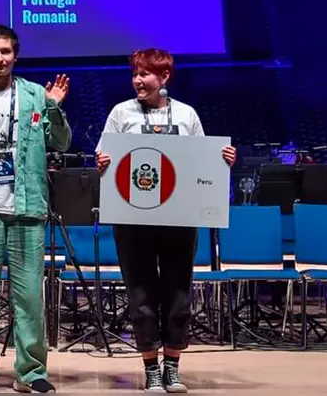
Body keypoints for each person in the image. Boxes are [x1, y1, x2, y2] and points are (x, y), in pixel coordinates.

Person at [95, 48, 236, 393]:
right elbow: (104, 157)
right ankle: (150, 368)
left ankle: (172, 366)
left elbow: (203, 160)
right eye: (135, 74)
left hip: (179, 218)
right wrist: (101, 162)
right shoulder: (120, 113)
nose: (137, 81)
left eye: (144, 74)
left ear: (165, 77)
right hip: (132, 219)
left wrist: (223, 161)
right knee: (140, 294)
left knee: (177, 293)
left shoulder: (187, 114)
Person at [0, 25, 71, 394]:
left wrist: (53, 108)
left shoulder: (37, 95)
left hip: (28, 210)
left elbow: (62, 142)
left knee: (29, 298)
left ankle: (32, 372)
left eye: (5, 51)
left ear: (15, 55)